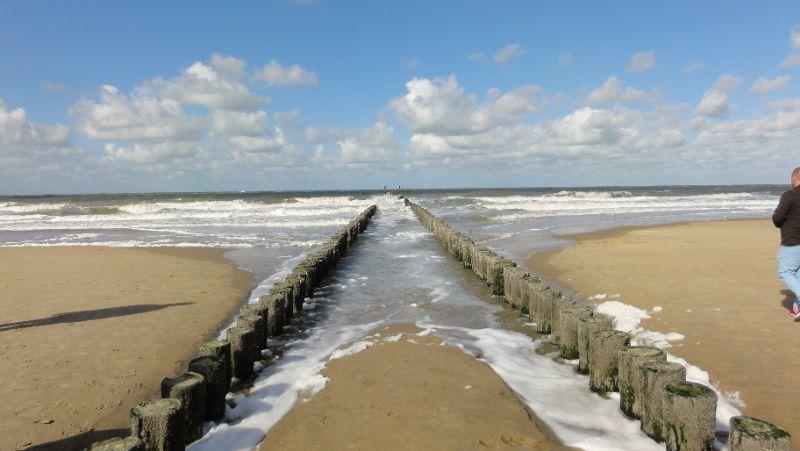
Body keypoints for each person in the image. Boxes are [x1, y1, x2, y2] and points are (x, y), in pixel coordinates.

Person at [773, 166, 800, 321]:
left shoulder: (790, 195)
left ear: (794, 178)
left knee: (786, 272)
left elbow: (778, 218)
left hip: (793, 241)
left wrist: (780, 223)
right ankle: (796, 308)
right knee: (797, 275)